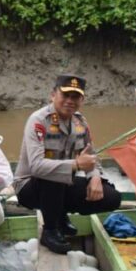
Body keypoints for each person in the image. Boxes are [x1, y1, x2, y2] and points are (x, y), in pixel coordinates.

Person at [14, 75, 121, 254]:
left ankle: (59, 215)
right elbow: (36, 167)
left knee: (111, 197)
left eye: (75, 97)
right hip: (30, 187)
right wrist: (77, 165)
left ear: (82, 100)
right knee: (53, 173)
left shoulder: (80, 122)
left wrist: (95, 177)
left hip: (62, 185)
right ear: (53, 95)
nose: (70, 101)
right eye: (65, 95)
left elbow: (91, 156)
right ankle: (50, 231)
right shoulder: (38, 121)